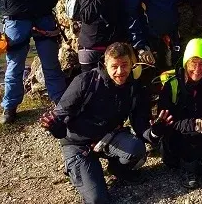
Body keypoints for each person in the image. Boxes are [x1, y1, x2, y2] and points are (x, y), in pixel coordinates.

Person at [39, 42, 169, 204]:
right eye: (114, 66)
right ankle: (76, 168)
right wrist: (55, 127)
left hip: (107, 137)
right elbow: (61, 125)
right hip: (78, 144)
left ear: (131, 64)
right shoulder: (85, 82)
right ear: (105, 63)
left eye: (125, 65)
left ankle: (117, 169)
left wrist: (155, 131)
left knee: (137, 150)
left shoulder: (134, 88)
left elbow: (141, 127)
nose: (120, 71)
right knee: (97, 200)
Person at [152, 38, 202, 189]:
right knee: (178, 159)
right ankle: (189, 165)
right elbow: (166, 123)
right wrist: (193, 125)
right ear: (185, 63)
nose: (197, 69)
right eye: (192, 63)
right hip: (180, 135)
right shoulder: (172, 87)